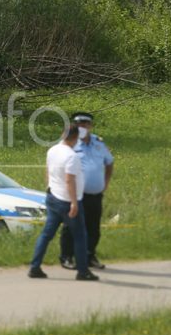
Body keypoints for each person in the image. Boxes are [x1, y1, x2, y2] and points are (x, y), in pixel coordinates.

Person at [28, 125, 99, 281]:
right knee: (80, 236)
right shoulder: (71, 156)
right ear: (75, 138)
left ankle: (34, 267)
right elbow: (69, 180)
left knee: (47, 234)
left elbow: (48, 170)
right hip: (67, 201)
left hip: (53, 197)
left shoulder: (52, 150)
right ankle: (82, 271)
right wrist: (74, 203)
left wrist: (48, 187)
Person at [59, 112, 114, 270]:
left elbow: (109, 162)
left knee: (93, 227)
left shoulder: (99, 143)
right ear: (75, 126)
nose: (82, 127)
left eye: (85, 124)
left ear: (90, 126)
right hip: (76, 194)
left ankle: (90, 256)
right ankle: (67, 257)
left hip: (95, 194)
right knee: (71, 226)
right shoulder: (70, 143)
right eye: (79, 124)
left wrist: (106, 182)